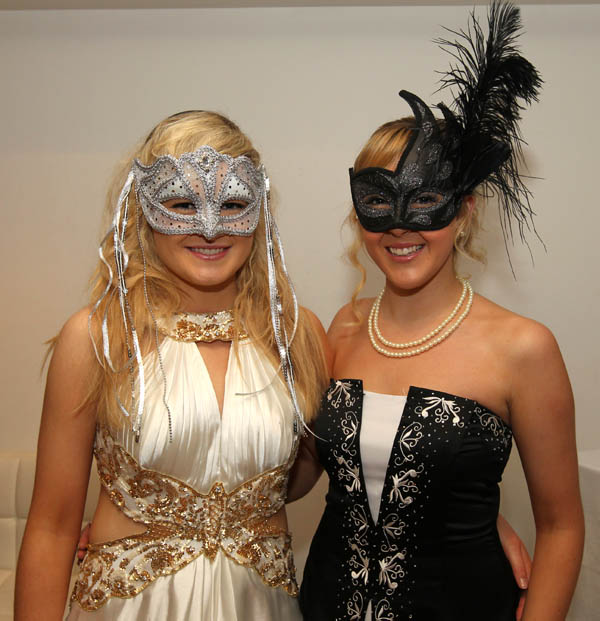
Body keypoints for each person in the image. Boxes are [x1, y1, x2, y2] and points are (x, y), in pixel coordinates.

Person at [297, 3, 584, 620]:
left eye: (426, 198)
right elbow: (291, 477)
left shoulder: (523, 348)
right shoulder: (337, 332)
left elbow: (561, 529)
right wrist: (149, 515)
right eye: (378, 201)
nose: (400, 225)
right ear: (358, 211)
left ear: (466, 208)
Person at [14, 110, 329, 620]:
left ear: (260, 210)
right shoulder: (99, 338)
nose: (209, 227)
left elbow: (348, 457)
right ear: (143, 208)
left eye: (232, 204)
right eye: (182, 203)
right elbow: (51, 527)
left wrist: (481, 519)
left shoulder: (297, 335)